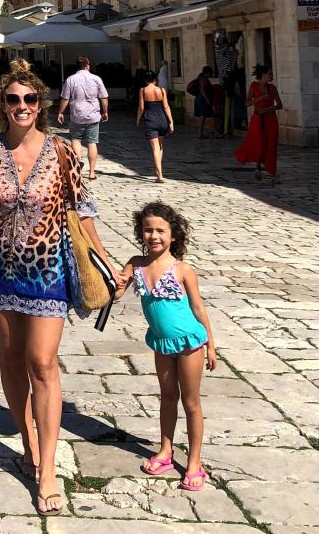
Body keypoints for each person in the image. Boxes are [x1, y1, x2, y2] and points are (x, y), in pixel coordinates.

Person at [0, 59, 120, 515]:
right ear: (2, 105)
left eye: (29, 99)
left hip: (47, 269)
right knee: (12, 358)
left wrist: (104, 257)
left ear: (41, 105)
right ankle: (30, 443)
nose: (21, 106)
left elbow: (83, 207)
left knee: (42, 362)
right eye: (13, 99)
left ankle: (48, 469)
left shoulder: (61, 153)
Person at [117, 201, 216, 493]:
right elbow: (117, 291)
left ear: (173, 235)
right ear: (141, 233)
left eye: (161, 230)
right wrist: (114, 279)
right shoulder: (136, 264)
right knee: (167, 397)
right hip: (161, 343)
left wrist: (211, 345)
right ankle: (165, 450)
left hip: (190, 343)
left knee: (191, 402)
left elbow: (199, 309)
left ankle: (195, 461)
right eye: (148, 230)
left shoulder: (183, 270)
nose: (154, 235)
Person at [56, 57, 108, 181]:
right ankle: (91, 172)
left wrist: (60, 112)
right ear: (87, 65)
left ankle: (77, 170)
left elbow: (65, 98)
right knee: (92, 143)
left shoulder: (70, 80)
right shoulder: (96, 79)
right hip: (93, 115)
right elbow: (104, 97)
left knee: (76, 140)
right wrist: (105, 111)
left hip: (77, 115)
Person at [235, 64, 283, 182]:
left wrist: (268, 109)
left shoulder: (272, 88)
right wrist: (260, 99)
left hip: (270, 119)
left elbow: (280, 105)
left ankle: (271, 169)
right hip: (258, 118)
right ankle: (257, 167)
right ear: (263, 75)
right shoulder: (254, 86)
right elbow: (247, 103)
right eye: (269, 74)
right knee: (259, 142)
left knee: (271, 143)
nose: (271, 76)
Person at [136, 70, 175, 183]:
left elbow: (141, 108)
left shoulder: (143, 90)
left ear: (145, 80)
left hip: (150, 120)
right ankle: (159, 171)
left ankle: (159, 175)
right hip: (162, 120)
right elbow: (166, 107)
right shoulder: (162, 90)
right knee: (160, 145)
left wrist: (138, 119)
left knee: (155, 148)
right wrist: (171, 121)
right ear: (155, 79)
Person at [191, 66, 217, 138]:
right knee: (212, 115)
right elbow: (202, 90)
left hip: (199, 99)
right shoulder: (203, 79)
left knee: (203, 116)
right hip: (203, 99)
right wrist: (207, 100)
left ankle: (200, 133)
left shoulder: (200, 78)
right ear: (208, 72)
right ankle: (215, 132)